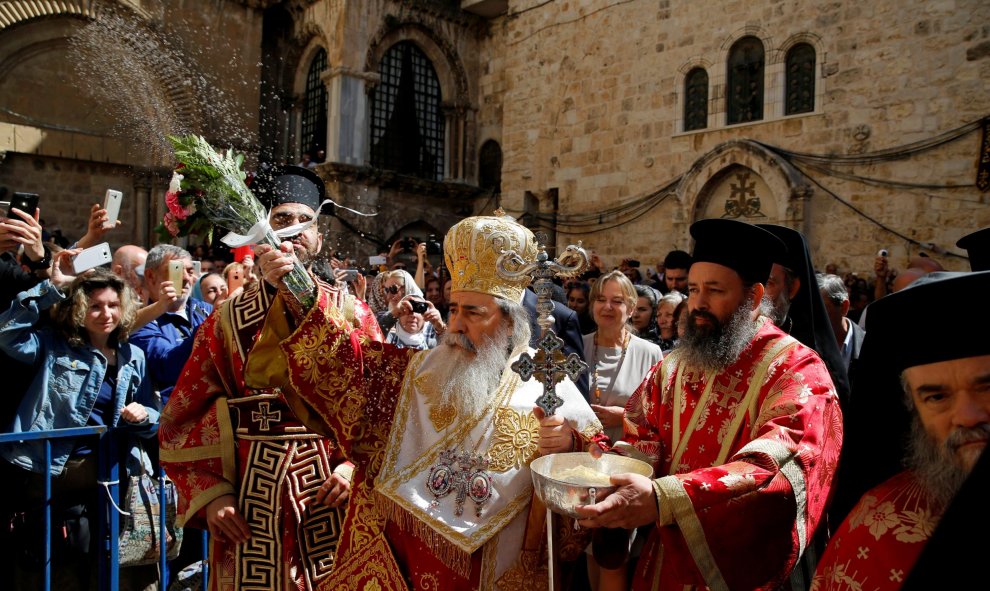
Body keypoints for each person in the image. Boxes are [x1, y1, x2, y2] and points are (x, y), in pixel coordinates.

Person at [267, 212, 606, 589]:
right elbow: (346, 366)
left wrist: (569, 445)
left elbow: (595, 474)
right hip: (404, 569)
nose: (457, 325)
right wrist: (295, 287)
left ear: (510, 322)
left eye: (473, 313)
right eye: (454, 309)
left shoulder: (548, 385)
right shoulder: (417, 372)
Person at [575, 218, 842, 591]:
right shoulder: (674, 366)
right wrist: (587, 455)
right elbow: (641, 441)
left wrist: (662, 497)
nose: (697, 304)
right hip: (666, 564)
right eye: (694, 289)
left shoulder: (797, 370)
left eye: (714, 291)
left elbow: (779, 469)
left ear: (753, 297)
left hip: (744, 577)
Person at [159, 165, 383, 591]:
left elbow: (382, 403)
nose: (294, 230)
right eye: (281, 219)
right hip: (249, 493)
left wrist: (354, 466)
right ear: (259, 232)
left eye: (305, 221)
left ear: (319, 236)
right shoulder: (225, 320)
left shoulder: (355, 313)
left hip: (330, 490)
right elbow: (183, 415)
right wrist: (214, 493)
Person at [811, 270, 989, 590]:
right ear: (914, 411)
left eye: (987, 388)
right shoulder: (881, 524)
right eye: (937, 397)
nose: (967, 416)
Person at [0, 262, 158, 591]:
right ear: (81, 309)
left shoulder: (134, 356)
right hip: (53, 471)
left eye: (113, 305)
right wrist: (49, 288)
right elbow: (9, 334)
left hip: (113, 474)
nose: (105, 314)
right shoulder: (54, 345)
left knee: (106, 565)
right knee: (55, 564)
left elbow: (154, 418)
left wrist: (144, 415)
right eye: (96, 306)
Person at [582, 270, 663, 590]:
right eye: (601, 299)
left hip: (625, 463)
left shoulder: (649, 352)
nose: (607, 307)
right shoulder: (580, 345)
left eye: (617, 301)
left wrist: (624, 416)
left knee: (614, 553)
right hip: (584, 461)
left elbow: (657, 414)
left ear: (631, 307)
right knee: (588, 549)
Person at [131, 244, 212, 407]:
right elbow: (167, 367)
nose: (185, 278)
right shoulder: (142, 320)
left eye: (189, 271)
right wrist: (208, 329)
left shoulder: (205, 310)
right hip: (175, 416)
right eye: (175, 270)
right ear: (151, 276)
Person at [816, 273, 864, 373]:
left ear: (844, 307)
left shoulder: (868, 345)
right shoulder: (802, 345)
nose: (813, 317)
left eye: (821, 310)